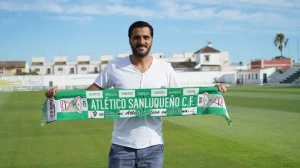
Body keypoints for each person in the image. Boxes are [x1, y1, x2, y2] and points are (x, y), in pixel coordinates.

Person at [45, 20, 227, 168]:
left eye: (145, 37)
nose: (141, 41)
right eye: (137, 37)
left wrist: (213, 92)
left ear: (152, 39)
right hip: (121, 146)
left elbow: (182, 98)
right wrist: (61, 96)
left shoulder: (165, 68)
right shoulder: (115, 66)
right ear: (130, 40)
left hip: (153, 147)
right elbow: (88, 96)